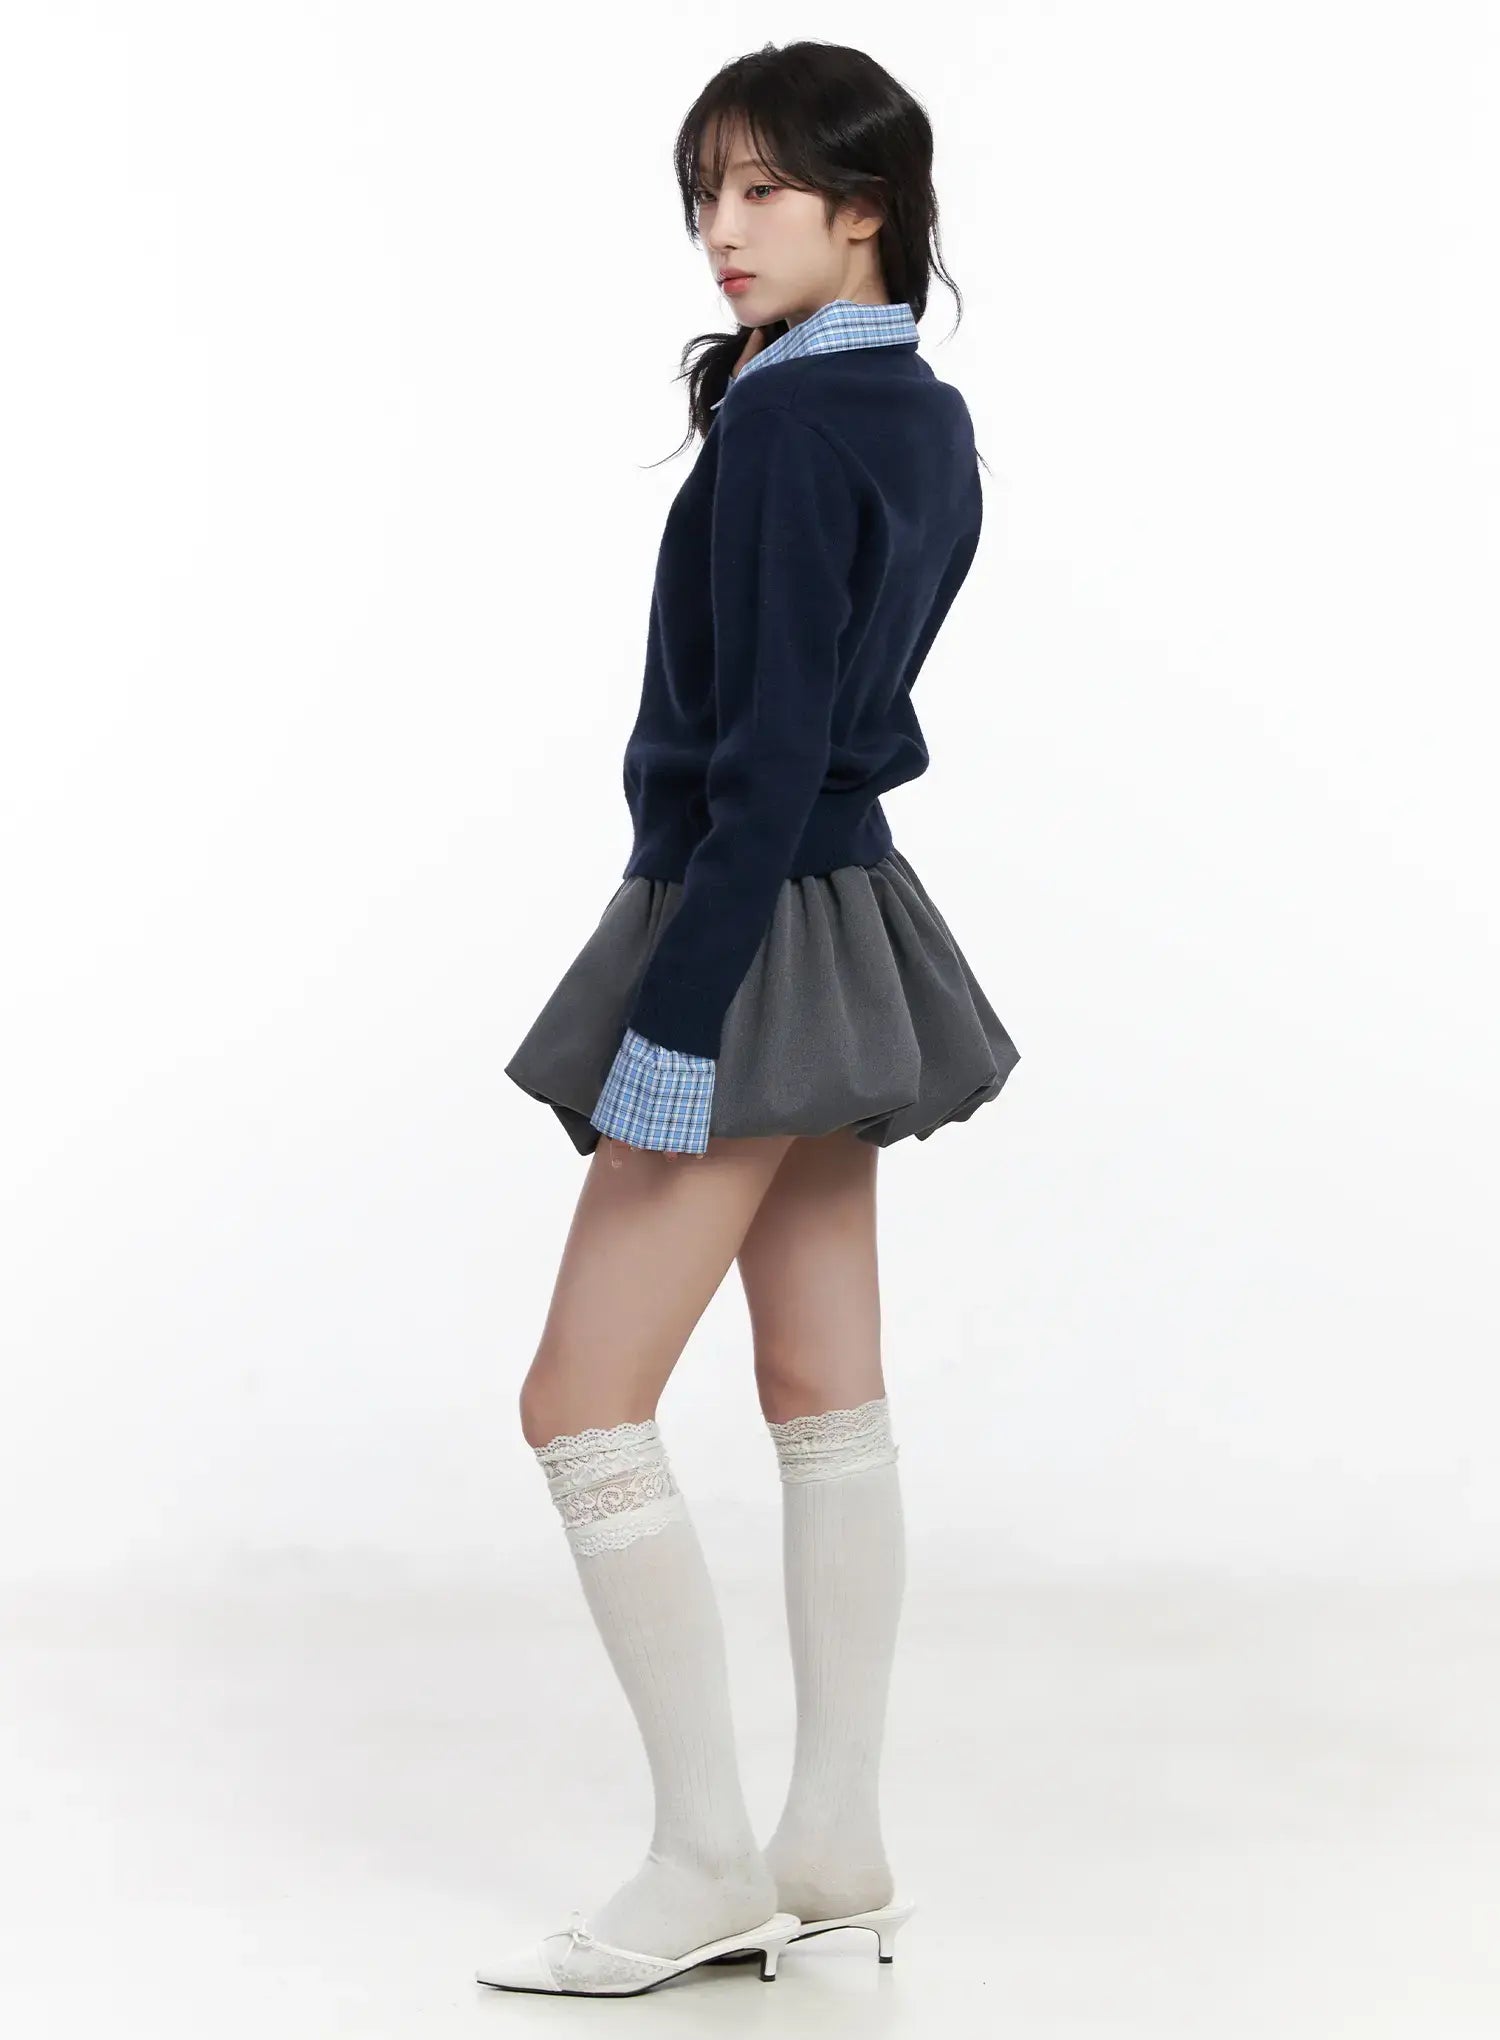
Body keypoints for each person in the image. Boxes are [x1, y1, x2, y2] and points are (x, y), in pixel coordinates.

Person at [478, 39, 1021, 1998]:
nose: (721, 229)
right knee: (822, 1387)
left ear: (865, 205)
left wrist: (677, 1022)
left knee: (579, 1401)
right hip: (843, 914)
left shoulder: (792, 426)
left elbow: (771, 754)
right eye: (705, 192)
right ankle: (835, 1844)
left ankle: (709, 1858)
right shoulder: (919, 412)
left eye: (762, 189)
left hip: (744, 919)